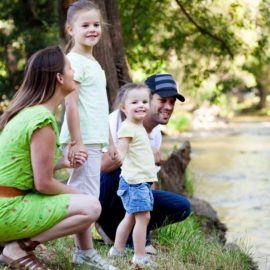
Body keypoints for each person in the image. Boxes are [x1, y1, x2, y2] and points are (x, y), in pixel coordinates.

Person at [0, 46, 105, 270]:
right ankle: (18, 248)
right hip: (6, 210)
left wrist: (63, 162)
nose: (74, 72)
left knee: (86, 202)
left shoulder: (28, 113)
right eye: (69, 68)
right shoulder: (42, 120)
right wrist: (79, 194)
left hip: (6, 204)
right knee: (91, 207)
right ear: (59, 77)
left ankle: (11, 243)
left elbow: (26, 166)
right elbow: (43, 183)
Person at [98, 74, 192, 254]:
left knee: (182, 207)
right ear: (148, 100)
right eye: (162, 100)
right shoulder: (114, 121)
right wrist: (139, 151)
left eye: (172, 102)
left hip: (130, 193)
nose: (168, 107)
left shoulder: (155, 133)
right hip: (102, 194)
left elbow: (147, 181)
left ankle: (132, 233)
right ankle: (106, 225)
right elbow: (100, 168)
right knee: (122, 173)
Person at [59, 1, 117, 269]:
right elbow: (71, 104)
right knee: (86, 201)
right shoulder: (73, 62)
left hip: (95, 138)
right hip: (83, 139)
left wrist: (112, 140)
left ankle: (84, 251)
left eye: (96, 25)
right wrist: (77, 141)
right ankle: (82, 252)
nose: (92, 29)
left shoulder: (93, 61)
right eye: (85, 25)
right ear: (70, 29)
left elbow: (99, 106)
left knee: (86, 198)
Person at [107, 83, 158, 267]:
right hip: (135, 182)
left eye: (144, 101)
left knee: (130, 217)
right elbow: (122, 151)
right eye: (134, 102)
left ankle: (117, 250)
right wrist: (117, 154)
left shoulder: (138, 126)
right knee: (143, 218)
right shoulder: (128, 127)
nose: (141, 105)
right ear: (123, 108)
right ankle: (139, 255)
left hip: (139, 181)